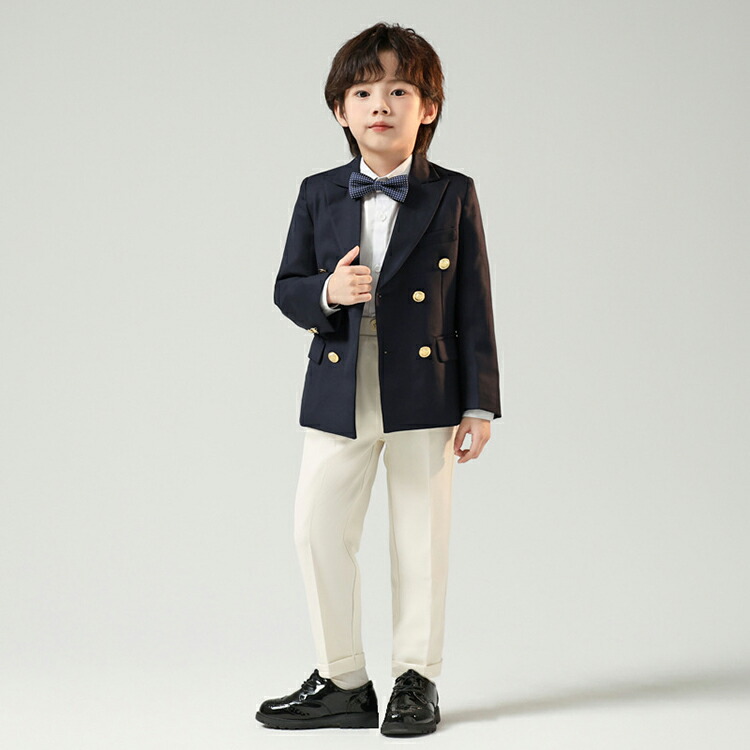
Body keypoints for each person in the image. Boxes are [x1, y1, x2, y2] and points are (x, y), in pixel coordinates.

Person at [255, 21, 502, 737]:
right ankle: (342, 679)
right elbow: (287, 286)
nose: (380, 105)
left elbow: (474, 302)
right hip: (342, 380)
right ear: (340, 109)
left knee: (420, 537)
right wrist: (328, 293)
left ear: (428, 108)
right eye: (363, 92)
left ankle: (416, 679)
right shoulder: (318, 191)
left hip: (426, 387)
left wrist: (480, 403)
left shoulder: (453, 193)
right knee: (316, 529)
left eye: (399, 90)